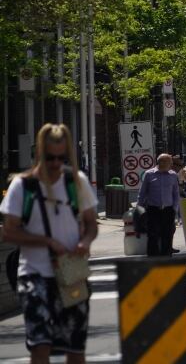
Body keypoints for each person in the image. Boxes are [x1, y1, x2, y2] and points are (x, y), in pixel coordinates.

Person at [0, 124, 98, 363]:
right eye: (50, 157)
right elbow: (8, 233)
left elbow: (91, 224)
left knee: (75, 346)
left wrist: (85, 242)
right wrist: (46, 241)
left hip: (71, 274)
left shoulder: (76, 182)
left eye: (61, 157)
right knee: (40, 343)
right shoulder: (23, 186)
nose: (55, 163)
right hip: (34, 275)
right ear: (39, 154)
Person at [137, 153, 180, 256]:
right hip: (153, 209)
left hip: (168, 210)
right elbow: (142, 193)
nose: (171, 164)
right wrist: (139, 208)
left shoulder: (173, 175)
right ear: (161, 162)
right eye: (170, 162)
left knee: (168, 234)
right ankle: (152, 256)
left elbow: (176, 193)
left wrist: (174, 208)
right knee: (153, 234)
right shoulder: (149, 174)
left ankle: (166, 255)